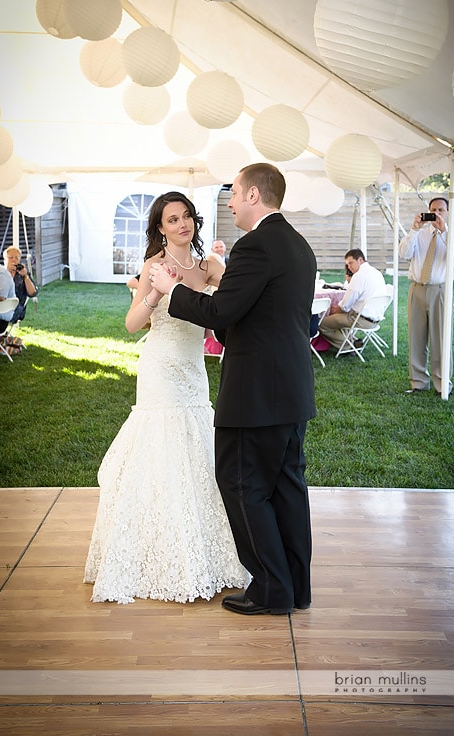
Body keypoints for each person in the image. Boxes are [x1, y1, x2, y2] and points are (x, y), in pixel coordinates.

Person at [150, 163, 317, 616]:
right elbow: (258, 316)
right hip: (291, 391)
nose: (229, 202)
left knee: (243, 486)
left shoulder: (256, 245)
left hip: (257, 395)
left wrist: (170, 290)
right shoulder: (298, 245)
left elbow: (223, 310)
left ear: (254, 196)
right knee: (286, 488)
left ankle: (269, 589)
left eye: (235, 193)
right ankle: (295, 588)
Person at [84, 191, 248, 604]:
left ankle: (207, 549)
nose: (182, 224)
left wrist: (222, 267)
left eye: (187, 216)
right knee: (161, 448)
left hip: (194, 370)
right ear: (160, 227)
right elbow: (131, 324)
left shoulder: (209, 266)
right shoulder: (153, 266)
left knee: (198, 448)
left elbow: (237, 298)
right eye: (172, 219)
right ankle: (156, 548)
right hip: (159, 368)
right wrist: (154, 294)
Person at [399, 197, 454, 396]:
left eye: (441, 210)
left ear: (448, 213)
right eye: (433, 210)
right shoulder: (419, 234)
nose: (437, 213)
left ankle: (442, 384)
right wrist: (414, 229)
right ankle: (418, 382)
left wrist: (444, 230)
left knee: (440, 338)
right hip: (417, 288)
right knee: (416, 338)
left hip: (440, 290)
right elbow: (404, 253)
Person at [318, 249, 386, 349]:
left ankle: (350, 345)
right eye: (347, 264)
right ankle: (351, 342)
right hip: (375, 320)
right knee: (340, 317)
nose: (349, 267)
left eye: (351, 263)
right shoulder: (376, 272)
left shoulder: (359, 275)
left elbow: (345, 305)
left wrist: (336, 309)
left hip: (359, 319)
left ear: (360, 260)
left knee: (322, 324)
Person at [3, 245, 38, 324]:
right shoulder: (0, 273)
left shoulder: (23, 275)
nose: (14, 260)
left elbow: (33, 293)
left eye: (16, 258)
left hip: (16, 308)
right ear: (5, 260)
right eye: (11, 257)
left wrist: (25, 277)